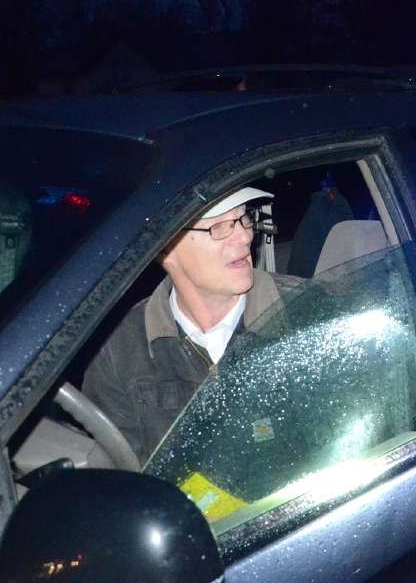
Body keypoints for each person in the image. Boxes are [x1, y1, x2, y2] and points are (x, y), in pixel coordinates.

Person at [84, 187, 303, 465]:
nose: (245, 236)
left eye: (244, 218)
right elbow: (119, 479)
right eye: (219, 226)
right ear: (165, 247)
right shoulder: (117, 347)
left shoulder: (308, 312)